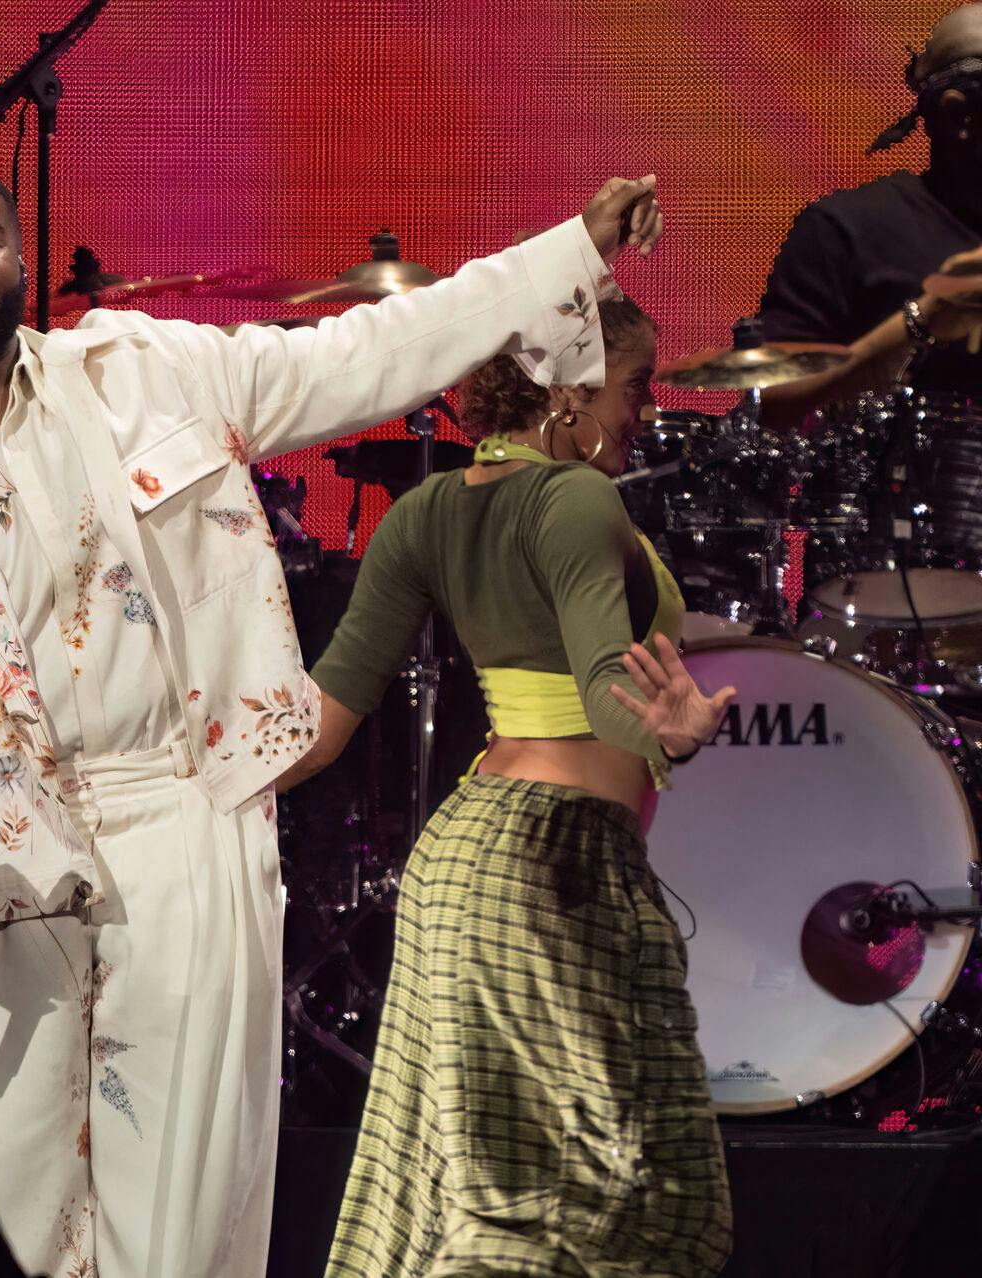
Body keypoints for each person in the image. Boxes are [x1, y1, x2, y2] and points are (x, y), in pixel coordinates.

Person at [0, 156, 662, 1278]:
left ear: (21, 266)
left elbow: (367, 352)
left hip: (179, 811)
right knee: (4, 1214)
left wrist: (565, 252)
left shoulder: (149, 373)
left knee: (175, 1205)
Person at [288, 295, 737, 1277]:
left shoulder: (424, 510)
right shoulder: (575, 499)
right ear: (571, 392)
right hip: (547, 865)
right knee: (539, 1218)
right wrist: (670, 730)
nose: (646, 412)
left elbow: (319, 727)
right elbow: (601, 685)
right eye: (634, 388)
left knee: (658, 1206)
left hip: (473, 865)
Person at [759, 5, 982, 422]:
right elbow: (770, 406)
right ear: (958, 115)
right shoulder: (845, 230)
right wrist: (921, 323)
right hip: (912, 484)